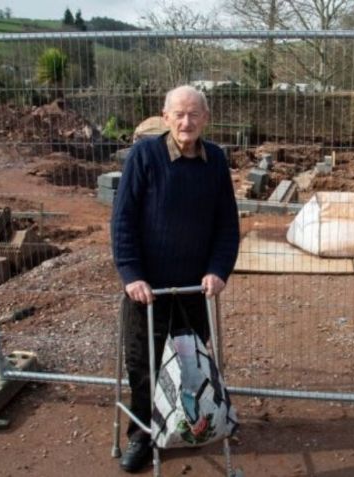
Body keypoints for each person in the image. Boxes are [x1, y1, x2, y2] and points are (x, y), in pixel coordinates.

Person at [111, 85, 240, 473]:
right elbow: (123, 221)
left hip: (193, 288)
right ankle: (141, 434)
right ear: (165, 118)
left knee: (192, 362)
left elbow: (227, 226)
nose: (187, 122)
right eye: (179, 115)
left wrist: (218, 270)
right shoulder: (145, 156)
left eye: (194, 114)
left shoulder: (215, 160)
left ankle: (196, 419)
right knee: (143, 363)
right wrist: (131, 275)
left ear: (206, 118)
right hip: (147, 289)